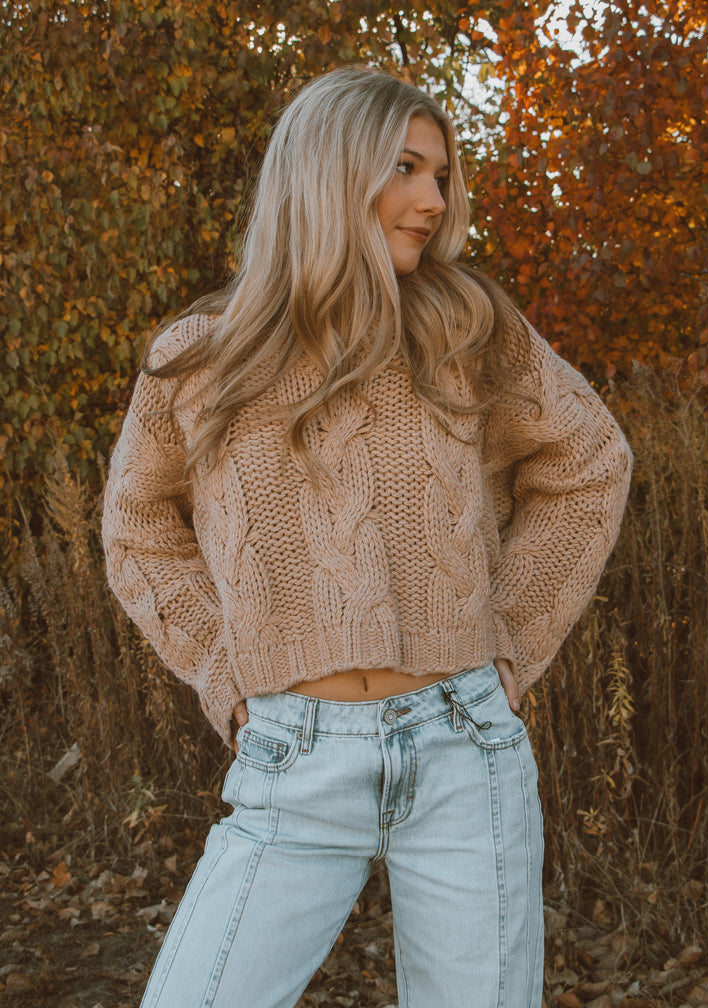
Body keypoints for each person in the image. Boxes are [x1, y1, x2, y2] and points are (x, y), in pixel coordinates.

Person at [102, 66, 632, 1008]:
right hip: (291, 759)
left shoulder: (467, 326)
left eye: (442, 174)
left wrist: (508, 637)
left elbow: (589, 462)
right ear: (328, 171)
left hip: (465, 744)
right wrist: (224, 673)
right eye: (406, 168)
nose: (434, 200)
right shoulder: (198, 357)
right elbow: (137, 528)